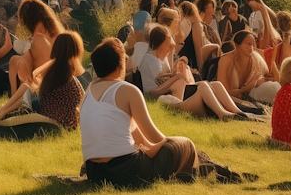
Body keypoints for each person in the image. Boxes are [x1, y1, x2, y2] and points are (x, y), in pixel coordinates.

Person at [80, 37, 201, 186]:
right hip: (125, 170)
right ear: (120, 65)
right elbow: (158, 139)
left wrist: (143, 147)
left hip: (95, 173)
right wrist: (157, 148)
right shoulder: (128, 90)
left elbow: (126, 129)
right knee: (185, 145)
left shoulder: (88, 91)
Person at [0, 31, 88, 129]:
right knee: (27, 88)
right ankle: (2, 112)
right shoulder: (67, 69)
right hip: (65, 117)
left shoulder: (58, 68)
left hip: (53, 113)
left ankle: (2, 113)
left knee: (26, 87)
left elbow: (35, 78)